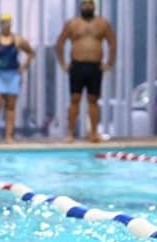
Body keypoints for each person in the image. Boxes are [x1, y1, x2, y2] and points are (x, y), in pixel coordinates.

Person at [54, 0, 116, 143]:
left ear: (94, 6)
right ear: (81, 6)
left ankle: (94, 133)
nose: (87, 6)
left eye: (90, 3)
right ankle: (69, 133)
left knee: (93, 100)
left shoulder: (102, 24)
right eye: (84, 3)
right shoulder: (72, 24)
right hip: (78, 65)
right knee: (74, 99)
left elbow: (112, 42)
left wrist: (109, 63)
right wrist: (63, 63)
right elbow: (60, 42)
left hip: (95, 66)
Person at [0, 14, 35, 144]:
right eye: (4, 22)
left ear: (11, 23)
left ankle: (9, 136)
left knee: (10, 107)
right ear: (0, 24)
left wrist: (24, 67)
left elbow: (31, 52)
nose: (6, 25)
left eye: (8, 22)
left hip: (12, 75)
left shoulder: (17, 40)